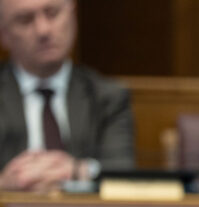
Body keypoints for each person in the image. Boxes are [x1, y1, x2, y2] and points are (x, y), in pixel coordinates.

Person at [0, 0, 133, 191]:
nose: (43, 30)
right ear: (3, 34)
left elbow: (124, 173)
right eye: (25, 20)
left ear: (72, 14)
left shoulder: (107, 97)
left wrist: (76, 171)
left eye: (52, 13)